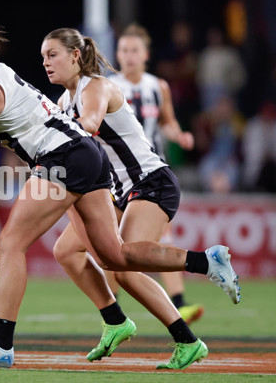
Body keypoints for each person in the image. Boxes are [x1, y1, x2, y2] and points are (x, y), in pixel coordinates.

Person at [0, 17, 241, 369]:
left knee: (10, 243)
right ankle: (203, 263)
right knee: (112, 256)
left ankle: (1, 343)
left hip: (64, 157)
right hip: (86, 155)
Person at [42, 27, 207, 370]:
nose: (46, 62)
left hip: (151, 181)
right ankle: (115, 320)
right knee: (67, 251)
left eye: (52, 54)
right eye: (43, 57)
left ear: (75, 56)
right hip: (120, 192)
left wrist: (43, 129)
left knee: (124, 265)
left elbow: (87, 124)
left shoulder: (96, 87)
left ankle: (202, 274)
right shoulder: (63, 100)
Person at [106, 23, 203, 325]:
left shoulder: (158, 87)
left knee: (158, 236)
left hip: (150, 171)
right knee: (110, 244)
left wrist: (180, 135)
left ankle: (177, 303)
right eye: (124, 50)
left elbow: (168, 122)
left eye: (134, 50)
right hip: (117, 176)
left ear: (146, 54)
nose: (129, 55)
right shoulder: (109, 85)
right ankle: (113, 311)